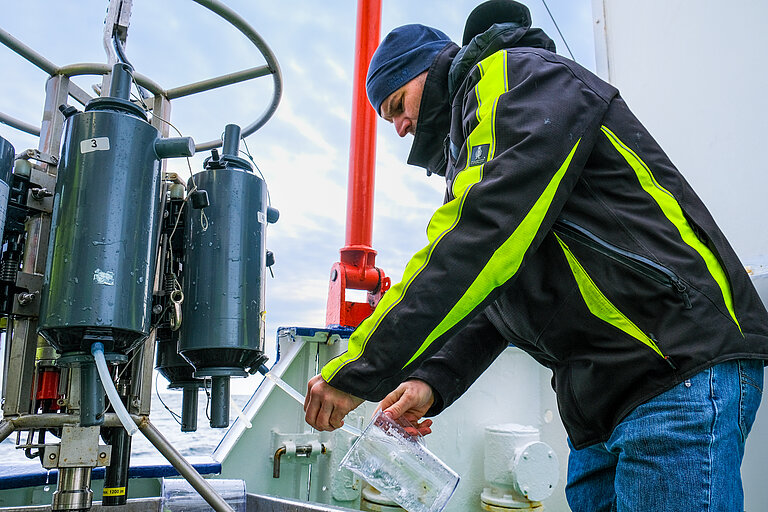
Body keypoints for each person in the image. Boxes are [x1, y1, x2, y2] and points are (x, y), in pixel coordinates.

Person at [303, 1, 768, 510]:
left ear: (430, 69)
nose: (399, 127)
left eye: (397, 104)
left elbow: (479, 237)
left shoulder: (518, 76)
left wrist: (355, 371)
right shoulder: (479, 149)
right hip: (598, 407)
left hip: (670, 367)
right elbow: (497, 295)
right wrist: (429, 381)